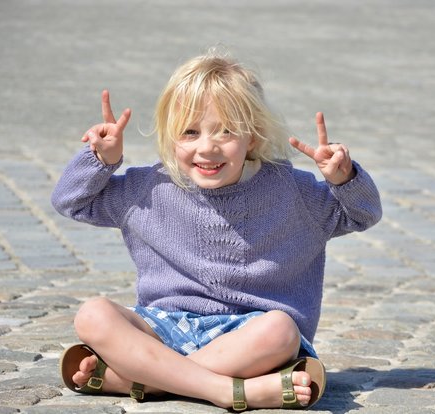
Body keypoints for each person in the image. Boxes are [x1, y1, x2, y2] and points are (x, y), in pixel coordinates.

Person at [52, 50, 382, 411]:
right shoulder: (146, 188)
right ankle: (227, 390)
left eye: (226, 131)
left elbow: (362, 214)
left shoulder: (292, 191)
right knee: (92, 314)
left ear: (252, 138)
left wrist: (343, 178)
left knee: (282, 330)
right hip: (164, 328)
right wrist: (102, 161)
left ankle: (140, 380)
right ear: (170, 136)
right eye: (190, 132)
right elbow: (71, 201)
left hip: (249, 336)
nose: (206, 147)